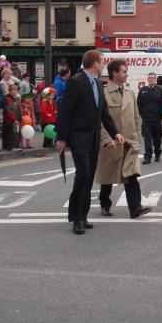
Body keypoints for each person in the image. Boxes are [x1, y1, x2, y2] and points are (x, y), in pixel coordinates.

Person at [56, 50, 124, 235]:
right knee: (83, 175)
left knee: (88, 178)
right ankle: (76, 217)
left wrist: (115, 133)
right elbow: (65, 111)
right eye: (102, 62)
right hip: (78, 137)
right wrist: (61, 138)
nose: (104, 65)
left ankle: (83, 215)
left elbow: (103, 115)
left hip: (93, 139)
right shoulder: (75, 82)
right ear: (94, 63)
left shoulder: (98, 84)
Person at [95, 59, 151, 219]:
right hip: (111, 143)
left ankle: (135, 208)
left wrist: (137, 139)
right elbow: (100, 120)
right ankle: (105, 203)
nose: (127, 74)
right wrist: (106, 139)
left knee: (131, 175)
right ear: (114, 73)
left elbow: (136, 117)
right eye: (124, 71)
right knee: (108, 177)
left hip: (129, 141)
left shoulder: (130, 92)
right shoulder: (103, 92)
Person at [137, 72, 162, 164]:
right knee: (147, 138)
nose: (150, 79)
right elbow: (139, 104)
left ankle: (157, 153)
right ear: (147, 80)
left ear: (155, 80)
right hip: (146, 119)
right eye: (149, 78)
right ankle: (148, 156)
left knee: (157, 138)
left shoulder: (160, 90)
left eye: (152, 78)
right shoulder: (143, 90)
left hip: (157, 119)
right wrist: (139, 115)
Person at [2, 84, 21, 152]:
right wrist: (14, 119)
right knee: (11, 133)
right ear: (10, 91)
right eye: (14, 90)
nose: (16, 91)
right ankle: (10, 146)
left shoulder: (16, 99)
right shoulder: (7, 98)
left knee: (16, 133)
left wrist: (20, 118)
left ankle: (15, 145)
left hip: (16, 119)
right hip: (10, 120)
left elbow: (18, 109)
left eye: (17, 90)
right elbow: (8, 110)